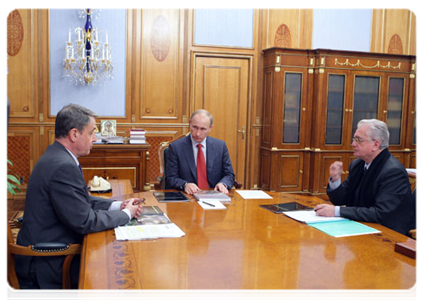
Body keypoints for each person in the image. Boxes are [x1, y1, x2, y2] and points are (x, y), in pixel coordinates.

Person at [15, 104, 143, 298]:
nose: (95, 138)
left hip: (51, 251)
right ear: (74, 134)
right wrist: (126, 215)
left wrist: (118, 205)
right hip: (48, 263)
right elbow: (85, 221)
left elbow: (80, 199)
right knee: (116, 277)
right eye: (92, 132)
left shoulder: (57, 157)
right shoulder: (62, 166)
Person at [314, 119, 414, 235]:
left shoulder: (393, 171)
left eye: (358, 140)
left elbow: (381, 213)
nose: (353, 144)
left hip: (389, 235)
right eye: (354, 139)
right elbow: (341, 199)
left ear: (375, 144)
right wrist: (335, 180)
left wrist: (336, 211)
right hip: (361, 226)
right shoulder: (358, 164)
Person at [165, 109, 235, 195]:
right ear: (190, 123)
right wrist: (185, 185)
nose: (197, 133)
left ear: (210, 128)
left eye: (203, 129)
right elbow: (170, 178)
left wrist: (223, 184)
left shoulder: (220, 146)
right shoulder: (176, 147)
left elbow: (229, 175)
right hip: (188, 197)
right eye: (195, 127)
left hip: (214, 196)